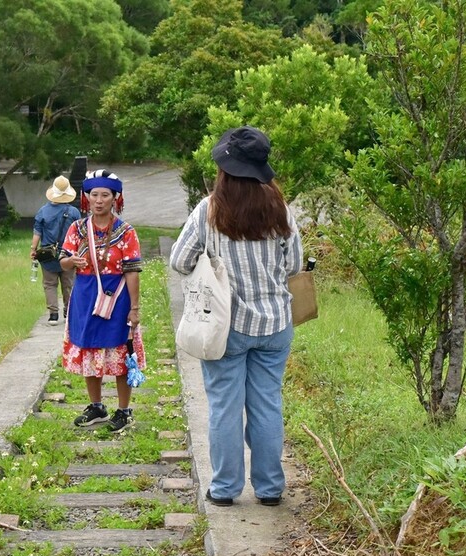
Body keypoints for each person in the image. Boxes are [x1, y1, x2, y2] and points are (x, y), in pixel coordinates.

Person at [169, 126, 303, 506]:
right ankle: (270, 488)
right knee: (267, 403)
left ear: (224, 168)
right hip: (275, 323)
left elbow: (179, 261)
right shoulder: (281, 209)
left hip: (224, 327)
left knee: (225, 406)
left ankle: (226, 489)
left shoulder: (209, 210)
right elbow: (293, 266)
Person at [60, 169, 146, 433]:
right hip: (85, 297)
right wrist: (70, 261)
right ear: (87, 198)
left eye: (105, 195)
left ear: (115, 198)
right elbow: (63, 260)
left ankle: (124, 410)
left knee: (120, 352)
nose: (99, 200)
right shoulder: (77, 229)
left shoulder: (126, 232)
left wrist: (134, 307)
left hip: (116, 297)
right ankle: (96, 406)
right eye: (94, 195)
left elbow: (131, 271)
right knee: (89, 347)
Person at [30, 175, 81, 325]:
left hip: (48, 255)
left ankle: (53, 314)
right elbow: (79, 234)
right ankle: (69, 311)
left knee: (49, 284)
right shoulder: (74, 212)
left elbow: (37, 232)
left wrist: (33, 249)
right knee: (69, 283)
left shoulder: (43, 211)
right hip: (68, 255)